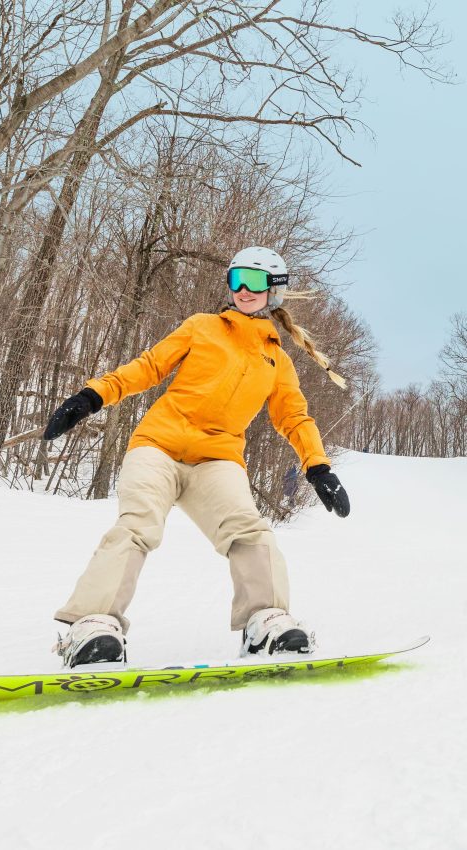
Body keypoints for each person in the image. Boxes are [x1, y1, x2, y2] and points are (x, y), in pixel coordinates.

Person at [44, 246, 350, 668]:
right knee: (138, 524)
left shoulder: (276, 360)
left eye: (256, 281)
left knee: (249, 530)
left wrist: (317, 466)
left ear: (274, 292)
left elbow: (294, 417)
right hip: (158, 445)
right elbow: (149, 366)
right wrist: (92, 396)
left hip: (217, 459)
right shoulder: (201, 327)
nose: (243, 289)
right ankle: (92, 626)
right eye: (236, 278)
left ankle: (266, 621)